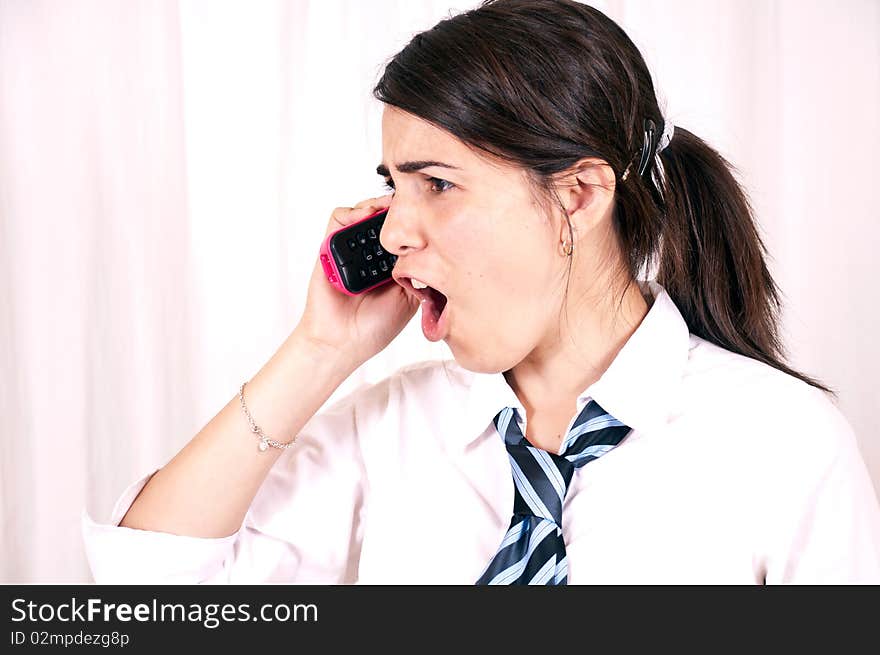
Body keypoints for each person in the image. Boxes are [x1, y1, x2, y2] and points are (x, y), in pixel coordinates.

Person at [82, 0, 880, 584]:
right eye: (393, 184)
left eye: (437, 182)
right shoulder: (389, 427)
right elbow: (140, 599)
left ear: (578, 196)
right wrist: (319, 351)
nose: (394, 230)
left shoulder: (785, 445)